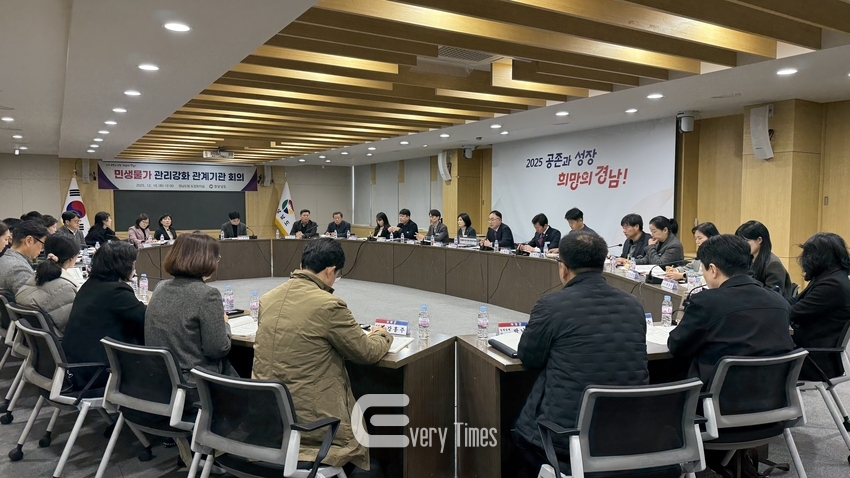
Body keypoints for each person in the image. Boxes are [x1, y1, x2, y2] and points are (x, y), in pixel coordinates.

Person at [252, 238, 391, 474]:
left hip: (268, 420)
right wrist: (382, 335)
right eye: (337, 275)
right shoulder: (329, 305)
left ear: (302, 264)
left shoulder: (268, 298)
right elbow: (366, 352)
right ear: (329, 271)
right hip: (311, 426)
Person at [514, 232, 649, 477]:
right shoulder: (633, 304)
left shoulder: (551, 305)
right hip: (629, 431)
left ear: (563, 268)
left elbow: (529, 357)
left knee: (519, 436)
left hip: (567, 436)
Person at [668, 234, 795, 386]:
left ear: (713, 269)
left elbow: (677, 346)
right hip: (774, 392)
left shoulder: (706, 302)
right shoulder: (779, 301)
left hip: (718, 395)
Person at [145, 233, 232, 383]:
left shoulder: (160, 287)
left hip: (158, 379)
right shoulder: (207, 294)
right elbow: (217, 349)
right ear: (206, 260)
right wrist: (225, 324)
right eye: (216, 258)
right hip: (193, 382)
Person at [62, 241, 145, 388]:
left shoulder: (90, 284)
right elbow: (147, 319)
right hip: (98, 371)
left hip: (75, 365)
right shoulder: (117, 292)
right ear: (123, 265)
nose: (134, 267)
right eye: (133, 263)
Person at [789, 233, 850, 380]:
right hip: (813, 353)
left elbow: (794, 312)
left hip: (814, 360)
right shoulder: (830, 276)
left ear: (819, 256)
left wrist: (769, 307)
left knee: (758, 355)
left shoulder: (832, 285)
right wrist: (772, 301)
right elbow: (795, 301)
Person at [15, 235, 81, 333]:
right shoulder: (65, 287)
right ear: (72, 258)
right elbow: (72, 326)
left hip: (35, 337)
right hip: (58, 338)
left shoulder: (35, 277)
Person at [736, 220, 793, 298]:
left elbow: (773, 295)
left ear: (759, 240)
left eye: (746, 241)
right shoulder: (748, 259)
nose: (742, 245)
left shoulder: (773, 264)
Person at [0, 220, 48, 300]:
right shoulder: (19, 269)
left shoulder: (4, 258)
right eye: (42, 245)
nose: (42, 250)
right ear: (29, 241)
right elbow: (33, 301)